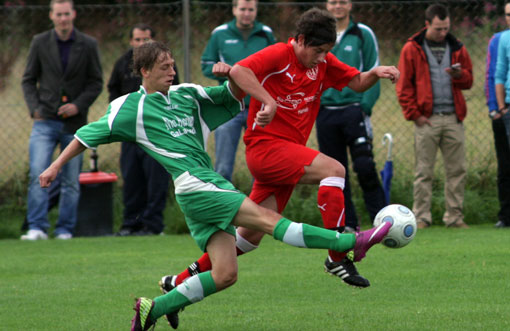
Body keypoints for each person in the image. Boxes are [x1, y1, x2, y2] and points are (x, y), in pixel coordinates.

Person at [38, 40, 392, 331]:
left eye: (173, 65)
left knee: (225, 274)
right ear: (144, 71)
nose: (171, 72)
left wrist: (232, 76)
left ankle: (156, 307)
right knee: (268, 222)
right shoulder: (129, 108)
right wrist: (55, 165)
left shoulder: (187, 95)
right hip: (197, 185)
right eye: (164, 67)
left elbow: (230, 96)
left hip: (199, 191)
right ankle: (350, 242)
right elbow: (87, 136)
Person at [159, 9, 399, 315]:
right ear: (299, 40)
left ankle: (176, 285)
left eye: (327, 52)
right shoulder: (279, 54)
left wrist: (375, 73)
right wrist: (269, 101)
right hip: (265, 149)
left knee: (247, 239)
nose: (322, 58)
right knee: (334, 170)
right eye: (317, 50)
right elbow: (240, 71)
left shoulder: (323, 63)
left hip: (287, 155)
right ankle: (337, 257)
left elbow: (356, 81)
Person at [20, 0, 103, 240]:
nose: (63, 18)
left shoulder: (88, 44)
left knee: (70, 181)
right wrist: (34, 108)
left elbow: (96, 82)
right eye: (59, 14)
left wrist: (78, 104)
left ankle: (65, 230)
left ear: (73, 14)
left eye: (67, 14)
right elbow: (28, 79)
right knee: (38, 172)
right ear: (52, 16)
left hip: (74, 125)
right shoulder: (39, 43)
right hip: (44, 120)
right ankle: (37, 227)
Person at [396, 3, 473, 229]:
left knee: (457, 170)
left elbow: (469, 81)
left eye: (446, 28)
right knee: (423, 171)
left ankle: (455, 217)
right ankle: (421, 217)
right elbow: (403, 87)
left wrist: (459, 75)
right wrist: (415, 116)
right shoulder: (412, 48)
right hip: (426, 120)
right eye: (438, 28)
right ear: (427, 24)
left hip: (453, 118)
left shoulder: (458, 47)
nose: (443, 33)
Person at [317, 0, 386, 233]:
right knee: (336, 172)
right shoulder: (317, 35)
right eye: (334, 2)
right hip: (325, 113)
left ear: (351, 5)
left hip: (354, 110)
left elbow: (374, 69)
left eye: (343, 2)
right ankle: (348, 225)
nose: (338, 6)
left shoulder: (363, 33)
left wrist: (363, 107)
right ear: (327, 5)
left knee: (365, 166)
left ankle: (383, 220)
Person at [107, 23, 180, 236]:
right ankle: (130, 224)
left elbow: (175, 90)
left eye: (145, 40)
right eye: (137, 40)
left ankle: (153, 225)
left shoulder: (164, 65)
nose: (141, 44)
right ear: (131, 41)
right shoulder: (122, 63)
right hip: (130, 133)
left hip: (156, 131)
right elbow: (112, 89)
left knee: (156, 179)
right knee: (132, 178)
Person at [201, 0, 275, 182]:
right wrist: (225, 72)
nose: (246, 13)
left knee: (260, 165)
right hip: (229, 106)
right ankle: (224, 206)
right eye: (242, 9)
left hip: (258, 107)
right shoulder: (220, 34)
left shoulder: (266, 34)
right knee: (224, 165)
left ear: (256, 11)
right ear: (234, 10)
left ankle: (258, 206)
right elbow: (206, 64)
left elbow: (275, 66)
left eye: (251, 9)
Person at [491, 2, 510, 228]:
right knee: (506, 166)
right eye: (507, 15)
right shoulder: (504, 39)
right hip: (507, 108)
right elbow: (499, 72)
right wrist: (501, 107)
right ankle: (506, 216)